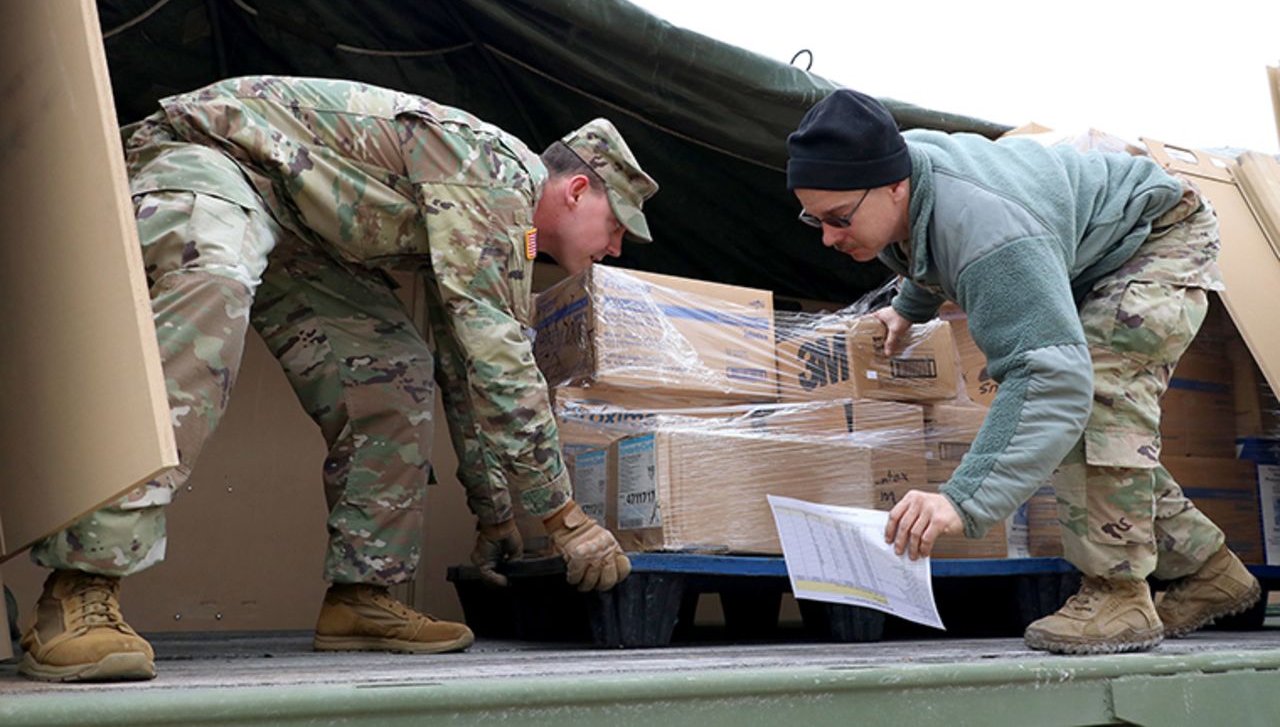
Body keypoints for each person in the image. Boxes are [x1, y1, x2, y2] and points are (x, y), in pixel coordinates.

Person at [18, 76, 657, 682]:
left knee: (394, 372)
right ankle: (79, 588)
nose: (618, 248)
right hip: (216, 157)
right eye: (617, 225)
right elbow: (498, 359)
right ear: (575, 191)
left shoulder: (500, 226)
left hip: (302, 228)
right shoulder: (499, 175)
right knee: (211, 286)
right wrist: (564, 519)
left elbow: (467, 366)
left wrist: (496, 518)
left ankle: (362, 595)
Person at [787, 88, 1261, 655]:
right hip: (1086, 250)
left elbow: (1051, 380)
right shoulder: (905, 176)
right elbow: (927, 243)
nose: (828, 238)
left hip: (1159, 236)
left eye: (839, 219)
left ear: (895, 185)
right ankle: (1209, 571)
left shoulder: (989, 232)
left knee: (1095, 402)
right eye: (813, 220)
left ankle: (1117, 594)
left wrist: (961, 500)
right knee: (1089, 421)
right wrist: (907, 307)